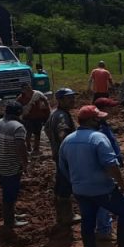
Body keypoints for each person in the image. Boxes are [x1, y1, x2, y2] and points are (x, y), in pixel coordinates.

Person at [58, 105, 124, 247]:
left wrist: (75, 182)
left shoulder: (68, 140)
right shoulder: (98, 138)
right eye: (98, 118)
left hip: (80, 190)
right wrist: (122, 185)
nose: (101, 121)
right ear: (92, 120)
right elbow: (111, 165)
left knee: (88, 221)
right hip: (102, 189)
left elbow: (63, 166)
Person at [44, 88, 81, 228]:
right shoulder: (62, 116)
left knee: (60, 184)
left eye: (73, 97)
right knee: (65, 186)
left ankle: (62, 215)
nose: (72, 100)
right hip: (65, 157)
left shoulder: (54, 113)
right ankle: (66, 216)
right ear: (60, 100)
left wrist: (55, 146)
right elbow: (63, 135)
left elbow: (47, 129)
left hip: (59, 155)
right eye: (68, 98)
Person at [0, 101, 29, 229]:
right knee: (10, 194)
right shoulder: (18, 127)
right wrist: (25, 163)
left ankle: (12, 215)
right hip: (11, 166)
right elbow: (21, 147)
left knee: (6, 191)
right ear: (19, 113)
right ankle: (9, 221)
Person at [93, 97, 124, 242]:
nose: (114, 110)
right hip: (105, 169)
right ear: (103, 110)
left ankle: (104, 227)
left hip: (107, 168)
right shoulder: (99, 129)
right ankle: (104, 231)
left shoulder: (103, 125)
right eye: (110, 107)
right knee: (103, 200)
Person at [17, 81, 51, 155]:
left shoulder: (38, 95)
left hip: (38, 118)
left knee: (37, 134)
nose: (27, 89)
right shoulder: (20, 99)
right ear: (22, 90)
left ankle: (36, 149)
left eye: (28, 87)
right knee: (28, 133)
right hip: (27, 119)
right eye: (25, 88)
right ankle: (28, 147)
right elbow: (18, 109)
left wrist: (47, 115)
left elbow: (46, 105)